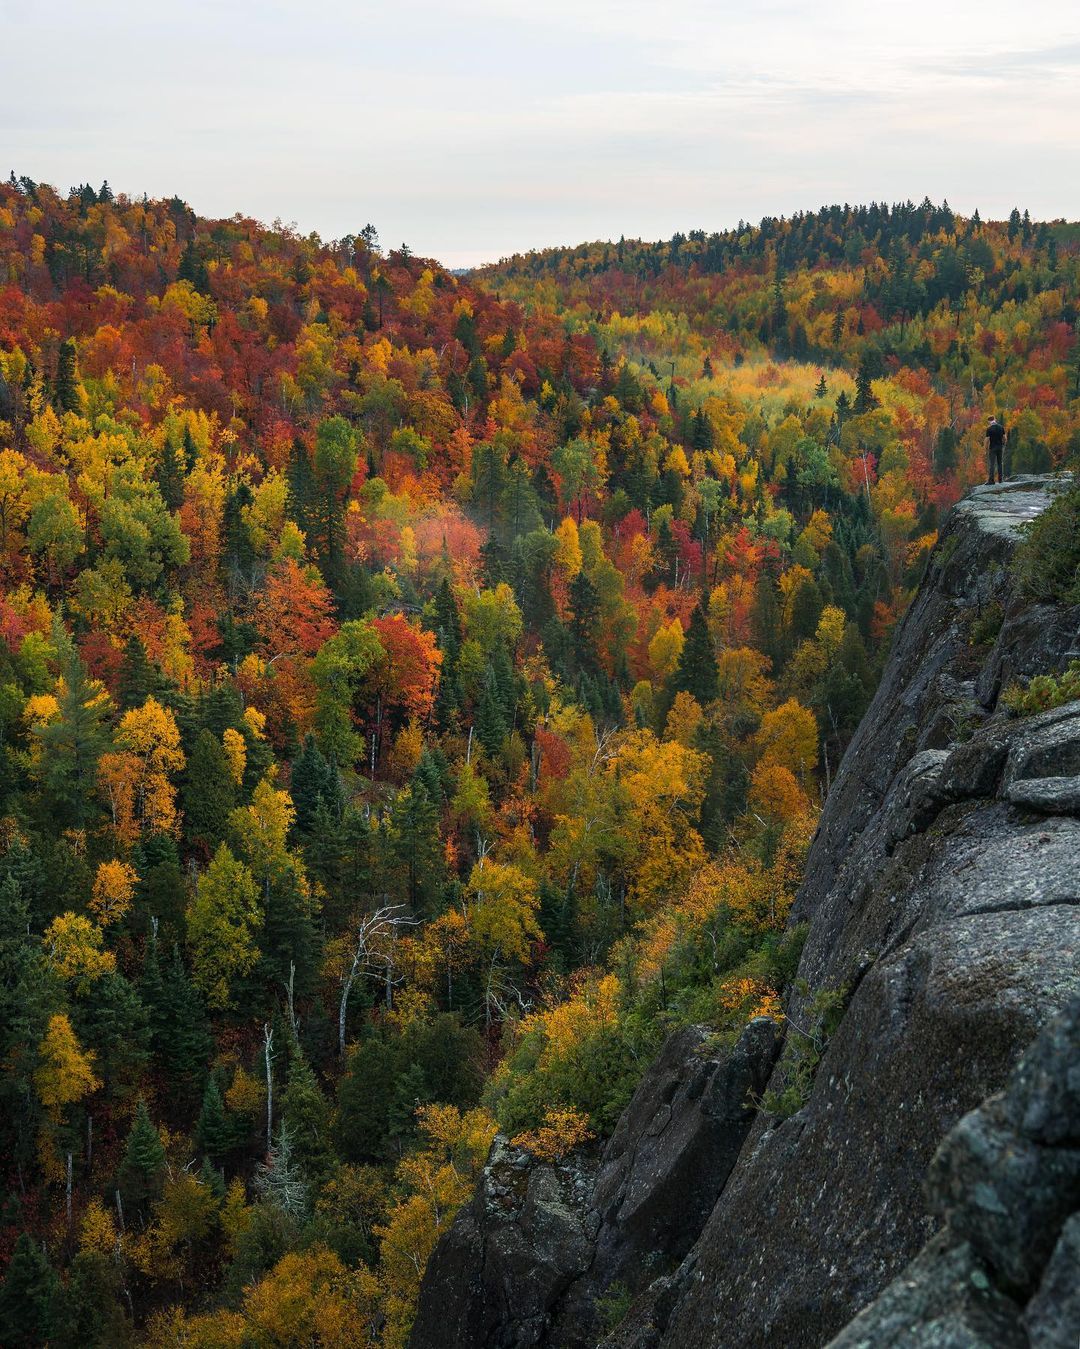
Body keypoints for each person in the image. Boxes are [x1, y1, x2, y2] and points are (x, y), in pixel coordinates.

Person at [985, 416, 1006, 484]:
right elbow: (1005, 437)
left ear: (989, 421)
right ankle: (1000, 480)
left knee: (992, 464)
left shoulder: (989, 429)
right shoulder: (1001, 427)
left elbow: (987, 440)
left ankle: (991, 480)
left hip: (992, 448)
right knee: (1000, 463)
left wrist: (986, 448)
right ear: (995, 420)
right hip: (1000, 447)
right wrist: (1003, 444)